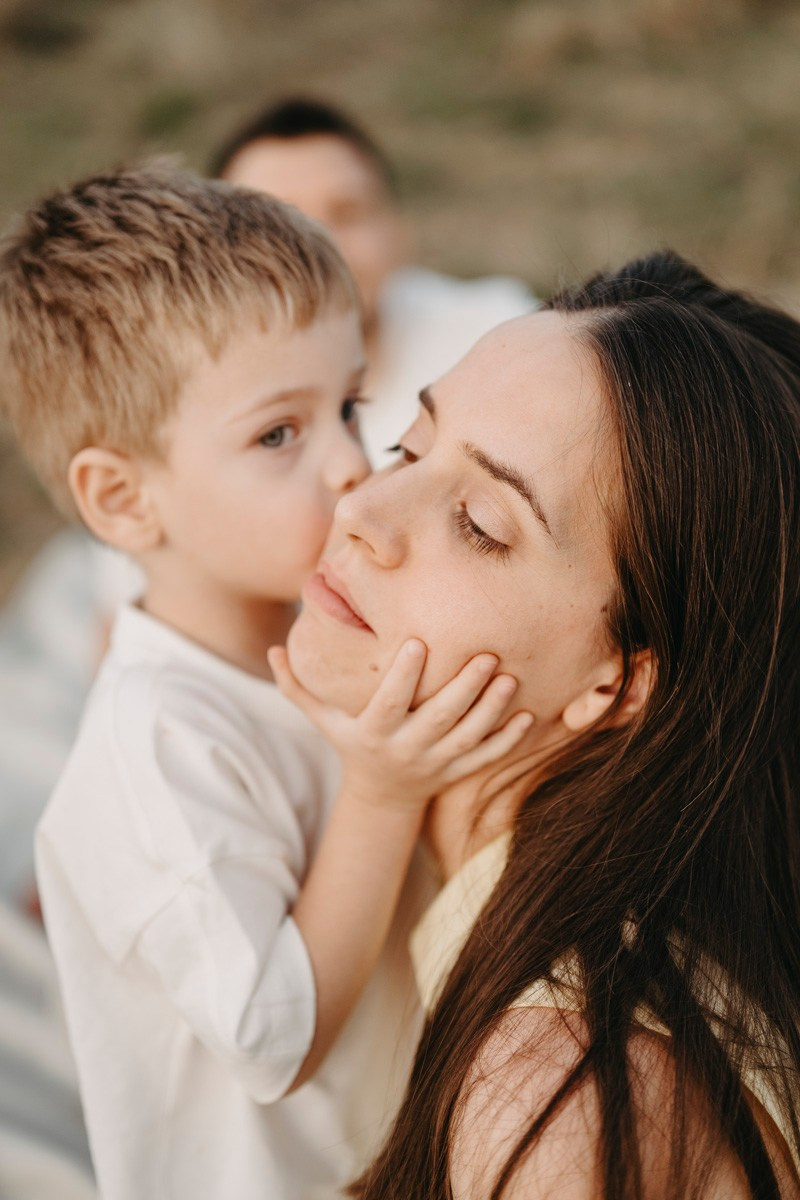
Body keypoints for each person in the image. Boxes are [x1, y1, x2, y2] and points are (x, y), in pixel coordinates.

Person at [0, 163, 532, 1199]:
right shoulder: (155, 750)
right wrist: (382, 792)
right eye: (278, 434)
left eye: (349, 406)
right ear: (122, 501)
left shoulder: (318, 634)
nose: (348, 464)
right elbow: (272, 1037)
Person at [271, 250, 800, 1199]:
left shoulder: (564, 1103)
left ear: (619, 683)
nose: (361, 511)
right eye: (406, 446)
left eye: (478, 522)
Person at [213, 96, 537, 464]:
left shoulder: (497, 336)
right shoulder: (190, 401)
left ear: (398, 229)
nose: (323, 246)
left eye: (347, 212)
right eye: (279, 224)